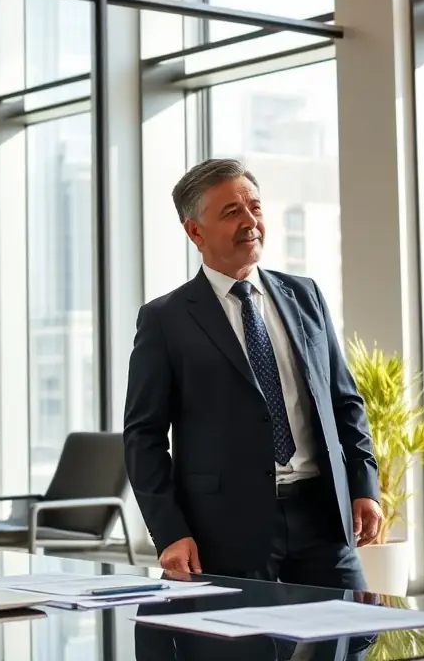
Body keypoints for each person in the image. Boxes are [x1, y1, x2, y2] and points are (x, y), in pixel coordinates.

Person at [123, 158, 382, 590]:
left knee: (348, 645)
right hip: (224, 532)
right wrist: (169, 531)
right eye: (231, 212)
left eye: (255, 207)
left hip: (323, 520)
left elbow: (343, 401)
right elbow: (143, 438)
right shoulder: (165, 320)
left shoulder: (305, 295)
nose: (250, 222)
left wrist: (364, 486)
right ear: (195, 232)